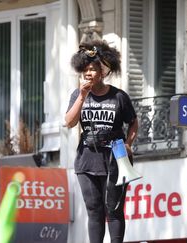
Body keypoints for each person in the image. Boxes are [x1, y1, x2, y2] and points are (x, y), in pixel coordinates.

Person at [65, 39, 139, 243]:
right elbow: (69, 122)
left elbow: (133, 123)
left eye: (92, 69)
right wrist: (82, 95)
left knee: (113, 208)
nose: (88, 73)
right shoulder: (78, 95)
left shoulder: (119, 97)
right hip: (86, 159)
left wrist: (129, 144)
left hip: (116, 156)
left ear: (103, 72)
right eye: (85, 70)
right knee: (94, 210)